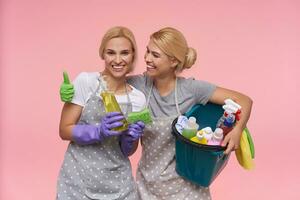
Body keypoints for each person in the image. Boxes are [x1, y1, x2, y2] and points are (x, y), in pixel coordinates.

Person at [60, 27, 253, 200]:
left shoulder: (192, 89)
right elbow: (111, 75)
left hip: (185, 186)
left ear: (173, 61)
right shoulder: (139, 86)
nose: (147, 59)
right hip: (147, 186)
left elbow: (244, 101)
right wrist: (72, 90)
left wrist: (236, 130)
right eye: (147, 51)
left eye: (155, 55)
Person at [57, 26, 146, 200]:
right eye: (111, 53)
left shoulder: (137, 98)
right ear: (103, 54)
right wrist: (97, 131)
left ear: (133, 55)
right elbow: (64, 130)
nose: (118, 60)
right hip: (78, 180)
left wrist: (130, 139)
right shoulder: (86, 82)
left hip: (119, 185)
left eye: (125, 53)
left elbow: (127, 151)